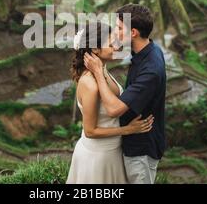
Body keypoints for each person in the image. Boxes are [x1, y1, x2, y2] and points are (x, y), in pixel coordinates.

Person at [84, 4, 166, 184]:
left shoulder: (150, 70)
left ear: (134, 33)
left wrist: (98, 72)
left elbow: (114, 109)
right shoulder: (149, 50)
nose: (115, 32)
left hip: (141, 149)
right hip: (130, 144)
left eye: (120, 28)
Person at [66, 21, 154, 184]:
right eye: (111, 42)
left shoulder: (101, 69)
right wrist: (128, 129)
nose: (117, 46)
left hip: (112, 151)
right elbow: (90, 131)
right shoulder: (90, 84)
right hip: (96, 158)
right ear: (94, 49)